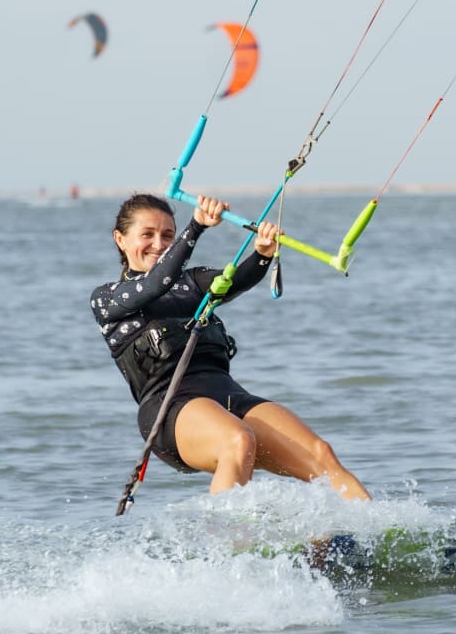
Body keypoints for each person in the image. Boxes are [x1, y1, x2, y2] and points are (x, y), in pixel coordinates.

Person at [90, 192, 371, 501]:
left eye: (168, 234)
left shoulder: (192, 282)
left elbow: (237, 279)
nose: (159, 243)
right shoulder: (108, 299)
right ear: (121, 239)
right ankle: (229, 543)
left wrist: (262, 253)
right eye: (147, 234)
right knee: (236, 440)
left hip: (228, 396)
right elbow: (157, 284)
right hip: (170, 410)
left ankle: (372, 537)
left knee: (321, 454)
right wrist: (196, 227)